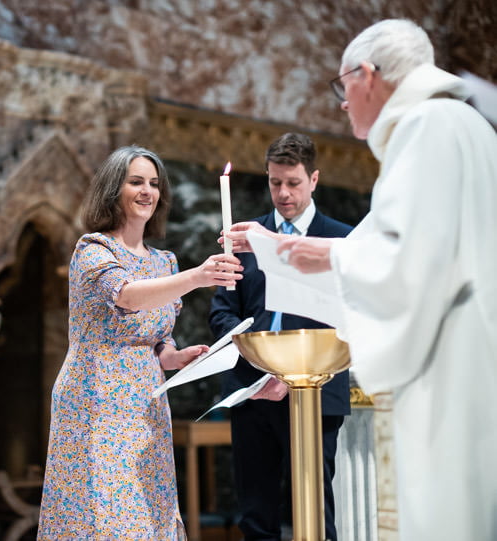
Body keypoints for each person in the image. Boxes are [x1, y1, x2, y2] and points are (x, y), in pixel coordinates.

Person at [230, 19, 497, 541]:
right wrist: (301, 251)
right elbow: (395, 245)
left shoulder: (427, 127)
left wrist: (327, 258)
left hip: (451, 357)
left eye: (342, 86)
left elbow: (410, 264)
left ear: (367, 75)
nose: (344, 102)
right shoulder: (457, 123)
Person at [37, 145, 243, 540]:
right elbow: (127, 296)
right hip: (96, 402)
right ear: (114, 189)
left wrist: (176, 355)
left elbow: (157, 339)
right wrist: (199, 276)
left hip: (147, 406)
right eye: (136, 182)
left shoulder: (164, 261)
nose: (147, 191)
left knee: (149, 517)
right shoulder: (93, 250)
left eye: (153, 183)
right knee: (102, 517)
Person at [209, 133, 352, 541]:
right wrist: (257, 367)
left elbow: (348, 317)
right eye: (275, 183)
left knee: (314, 512)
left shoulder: (343, 241)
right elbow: (223, 310)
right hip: (252, 390)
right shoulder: (244, 239)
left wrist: (291, 373)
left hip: (316, 392)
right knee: (255, 515)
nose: (283, 193)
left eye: (293, 182)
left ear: (314, 179)